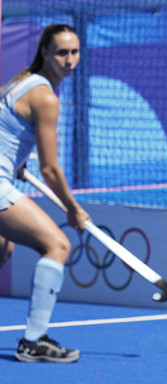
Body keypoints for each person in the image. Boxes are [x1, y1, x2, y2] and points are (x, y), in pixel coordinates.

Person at [0, 24, 90, 363]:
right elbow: (51, 170)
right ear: (45, 54)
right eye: (61, 53)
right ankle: (34, 341)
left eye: (74, 52)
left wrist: (14, 163)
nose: (69, 60)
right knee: (58, 245)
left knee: (2, 248)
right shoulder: (45, 97)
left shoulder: (20, 82)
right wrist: (73, 209)